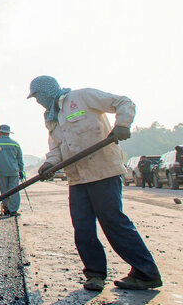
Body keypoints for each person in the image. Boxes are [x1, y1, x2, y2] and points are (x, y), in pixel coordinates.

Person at [28, 75, 162, 292]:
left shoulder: (82, 97)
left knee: (113, 222)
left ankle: (146, 273)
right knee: (83, 228)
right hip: (77, 178)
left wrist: (122, 124)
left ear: (47, 90)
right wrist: (49, 164)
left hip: (103, 172)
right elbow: (56, 148)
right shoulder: (51, 118)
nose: (37, 101)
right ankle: (95, 274)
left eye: (38, 95)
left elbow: (124, 102)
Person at [0, 124, 24, 216]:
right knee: (14, 191)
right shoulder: (15, 144)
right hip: (14, 171)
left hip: (1, 171)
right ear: (8, 133)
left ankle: (6, 209)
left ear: (0, 133)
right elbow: (20, 159)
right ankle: (13, 210)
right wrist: (21, 170)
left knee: (4, 191)